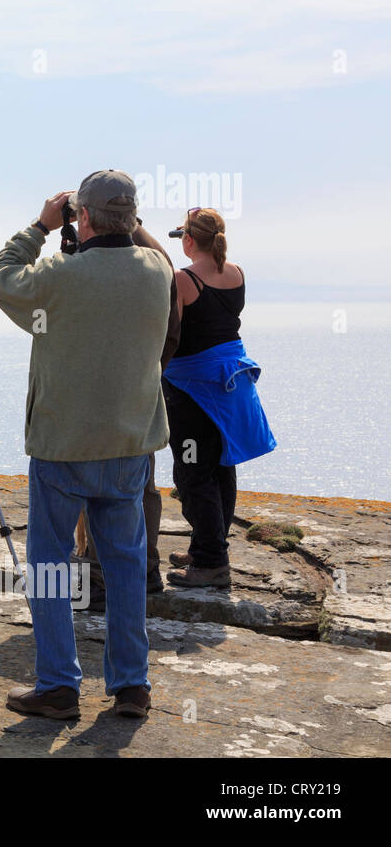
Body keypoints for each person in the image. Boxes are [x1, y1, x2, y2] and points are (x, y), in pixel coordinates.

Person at [0, 169, 171, 720]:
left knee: (49, 565)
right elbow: (147, 247)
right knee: (126, 565)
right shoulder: (158, 271)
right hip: (130, 442)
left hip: (63, 445)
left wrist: (42, 224)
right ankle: (132, 685)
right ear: (133, 219)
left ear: (81, 216)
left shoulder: (59, 276)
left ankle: (60, 687)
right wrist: (124, 222)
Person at [163, 208, 276, 588]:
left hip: (194, 390)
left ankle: (211, 563)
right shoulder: (236, 273)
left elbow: (172, 336)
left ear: (189, 240)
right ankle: (207, 547)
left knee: (193, 472)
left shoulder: (183, 279)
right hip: (230, 386)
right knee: (220, 468)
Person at [76, 221, 181, 604]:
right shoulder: (158, 259)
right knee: (142, 485)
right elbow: (172, 330)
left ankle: (98, 577)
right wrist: (150, 372)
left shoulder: (97, 258)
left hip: (94, 397)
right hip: (141, 392)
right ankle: (145, 569)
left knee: (92, 484)